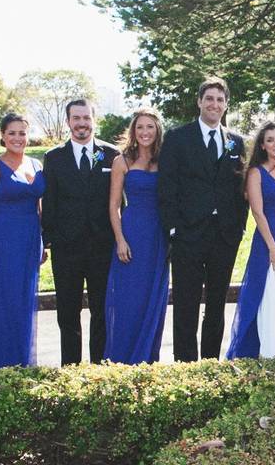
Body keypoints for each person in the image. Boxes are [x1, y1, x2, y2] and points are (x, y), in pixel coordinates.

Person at [158, 77, 249, 361]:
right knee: (185, 303)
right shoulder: (177, 138)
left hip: (224, 235)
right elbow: (167, 186)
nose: (214, 104)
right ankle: (186, 365)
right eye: (209, 98)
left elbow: (241, 187)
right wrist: (173, 228)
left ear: (226, 105)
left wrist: (237, 228)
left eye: (220, 100)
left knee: (216, 304)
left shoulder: (236, 142)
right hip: (187, 234)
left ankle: (210, 364)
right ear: (199, 102)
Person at [42, 99, 120, 365]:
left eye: (86, 118)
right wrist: (49, 239)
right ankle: (71, 369)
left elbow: (121, 201)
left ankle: (99, 367)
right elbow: (49, 202)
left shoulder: (111, 155)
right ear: (68, 122)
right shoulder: (53, 158)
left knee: (101, 311)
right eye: (76, 118)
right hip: (67, 249)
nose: (82, 123)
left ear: (93, 120)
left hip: (102, 246)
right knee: (68, 313)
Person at [0, 114, 46, 369]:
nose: (18, 138)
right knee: (3, 302)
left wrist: (42, 241)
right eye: (12, 133)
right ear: (3, 136)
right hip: (4, 241)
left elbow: (39, 206)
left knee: (24, 302)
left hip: (29, 240)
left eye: (22, 133)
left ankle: (22, 363)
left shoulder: (37, 165)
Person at [227, 121, 275, 359]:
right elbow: (257, 212)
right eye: (270, 140)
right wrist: (271, 247)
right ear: (263, 145)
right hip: (268, 239)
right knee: (262, 292)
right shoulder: (256, 172)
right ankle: (251, 350)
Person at [103, 108, 169, 364]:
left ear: (157, 130)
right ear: (133, 131)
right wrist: (120, 239)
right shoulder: (122, 161)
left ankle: (149, 358)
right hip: (131, 234)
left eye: (150, 127)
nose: (145, 132)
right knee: (129, 298)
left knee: (154, 297)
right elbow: (114, 206)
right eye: (140, 127)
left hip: (158, 236)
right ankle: (123, 359)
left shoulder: (165, 160)